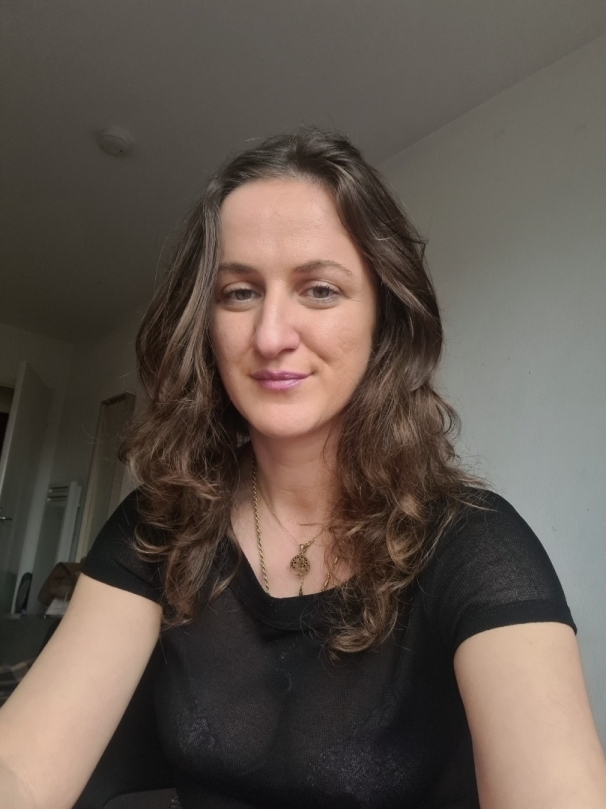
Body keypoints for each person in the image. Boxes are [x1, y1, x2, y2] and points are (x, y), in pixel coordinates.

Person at [1, 129, 605, 809]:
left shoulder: (475, 545)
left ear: (384, 319)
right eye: (239, 293)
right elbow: (20, 767)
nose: (270, 335)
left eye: (319, 289)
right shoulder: (157, 527)